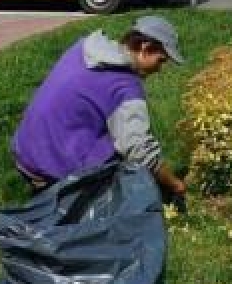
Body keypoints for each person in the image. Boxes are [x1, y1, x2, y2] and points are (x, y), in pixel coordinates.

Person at [11, 16, 190, 203]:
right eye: (160, 60)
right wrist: (175, 185)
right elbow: (138, 149)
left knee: (115, 130)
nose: (160, 69)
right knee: (125, 155)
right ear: (144, 49)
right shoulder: (124, 86)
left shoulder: (84, 48)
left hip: (25, 152)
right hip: (49, 169)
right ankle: (64, 195)